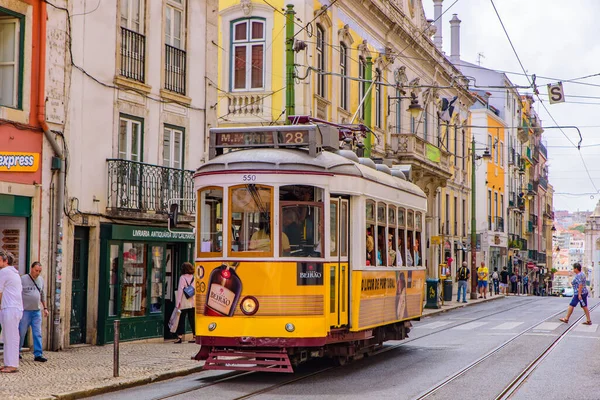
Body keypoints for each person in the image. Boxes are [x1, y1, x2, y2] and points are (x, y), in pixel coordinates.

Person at [19, 262, 48, 362]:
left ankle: (38, 354)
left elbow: (42, 294)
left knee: (37, 333)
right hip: (25, 311)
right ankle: (17, 351)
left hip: (36, 311)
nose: (38, 273)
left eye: (40, 271)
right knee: (21, 332)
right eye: (36, 270)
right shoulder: (23, 279)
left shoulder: (41, 280)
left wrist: (45, 308)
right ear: (31, 269)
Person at [0, 250, 23, 372]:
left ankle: (12, 365)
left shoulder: (4, 272)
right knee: (9, 337)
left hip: (9, 308)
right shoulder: (14, 273)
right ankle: (9, 363)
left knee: (11, 337)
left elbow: (0, 291)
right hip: (13, 308)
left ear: (5, 261)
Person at [175, 262, 196, 344]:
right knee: (192, 320)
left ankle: (179, 337)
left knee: (181, 319)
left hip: (184, 302)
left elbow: (180, 290)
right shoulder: (194, 278)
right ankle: (195, 336)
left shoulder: (182, 278)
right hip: (192, 302)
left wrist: (178, 302)